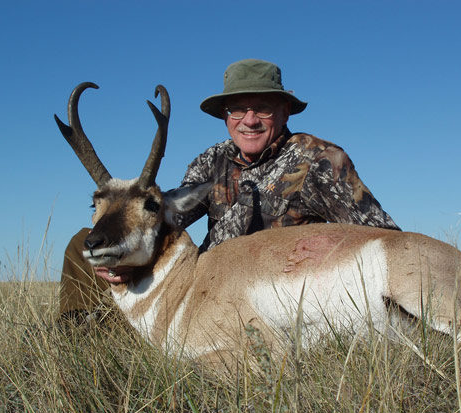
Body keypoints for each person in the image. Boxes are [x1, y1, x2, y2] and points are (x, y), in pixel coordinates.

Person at [59, 58, 400, 320]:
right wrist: (115, 246)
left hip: (279, 295)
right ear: (225, 115)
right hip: (204, 287)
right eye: (238, 108)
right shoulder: (213, 160)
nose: (249, 120)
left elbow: (386, 240)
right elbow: (165, 220)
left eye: (262, 107)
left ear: (284, 111)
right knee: (82, 243)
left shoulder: (320, 160)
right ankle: (79, 331)